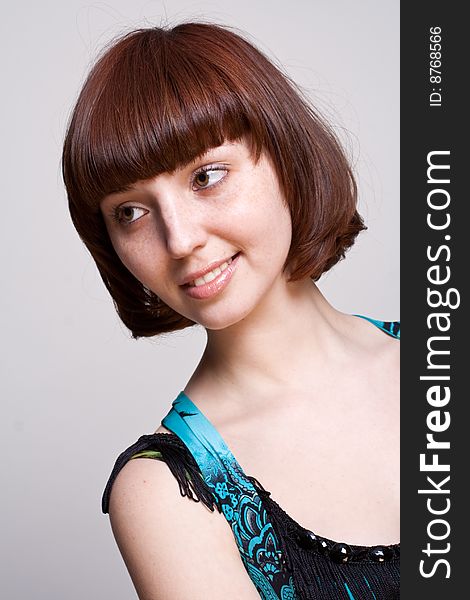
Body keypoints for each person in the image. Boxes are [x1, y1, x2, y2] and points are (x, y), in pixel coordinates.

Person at [62, 22, 400, 600]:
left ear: (286, 156)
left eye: (206, 176)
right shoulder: (168, 493)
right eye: (131, 212)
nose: (180, 240)